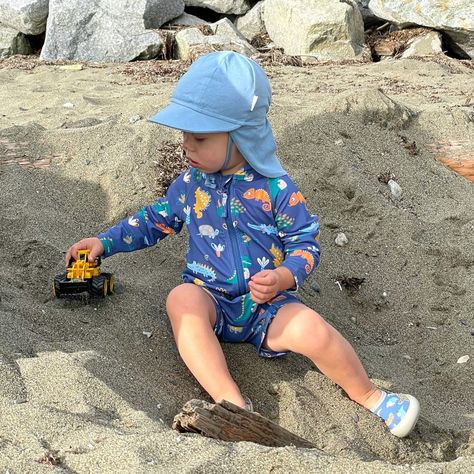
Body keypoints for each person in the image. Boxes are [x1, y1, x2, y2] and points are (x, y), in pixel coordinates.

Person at [65, 51, 419, 438]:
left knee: (315, 331)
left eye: (200, 137)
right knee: (181, 300)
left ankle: (371, 396)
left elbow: (306, 244)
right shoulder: (189, 185)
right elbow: (152, 221)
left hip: (266, 306)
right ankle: (232, 402)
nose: (187, 147)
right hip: (210, 299)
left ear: (241, 134)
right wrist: (103, 242)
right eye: (184, 136)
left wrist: (284, 276)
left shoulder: (276, 189)